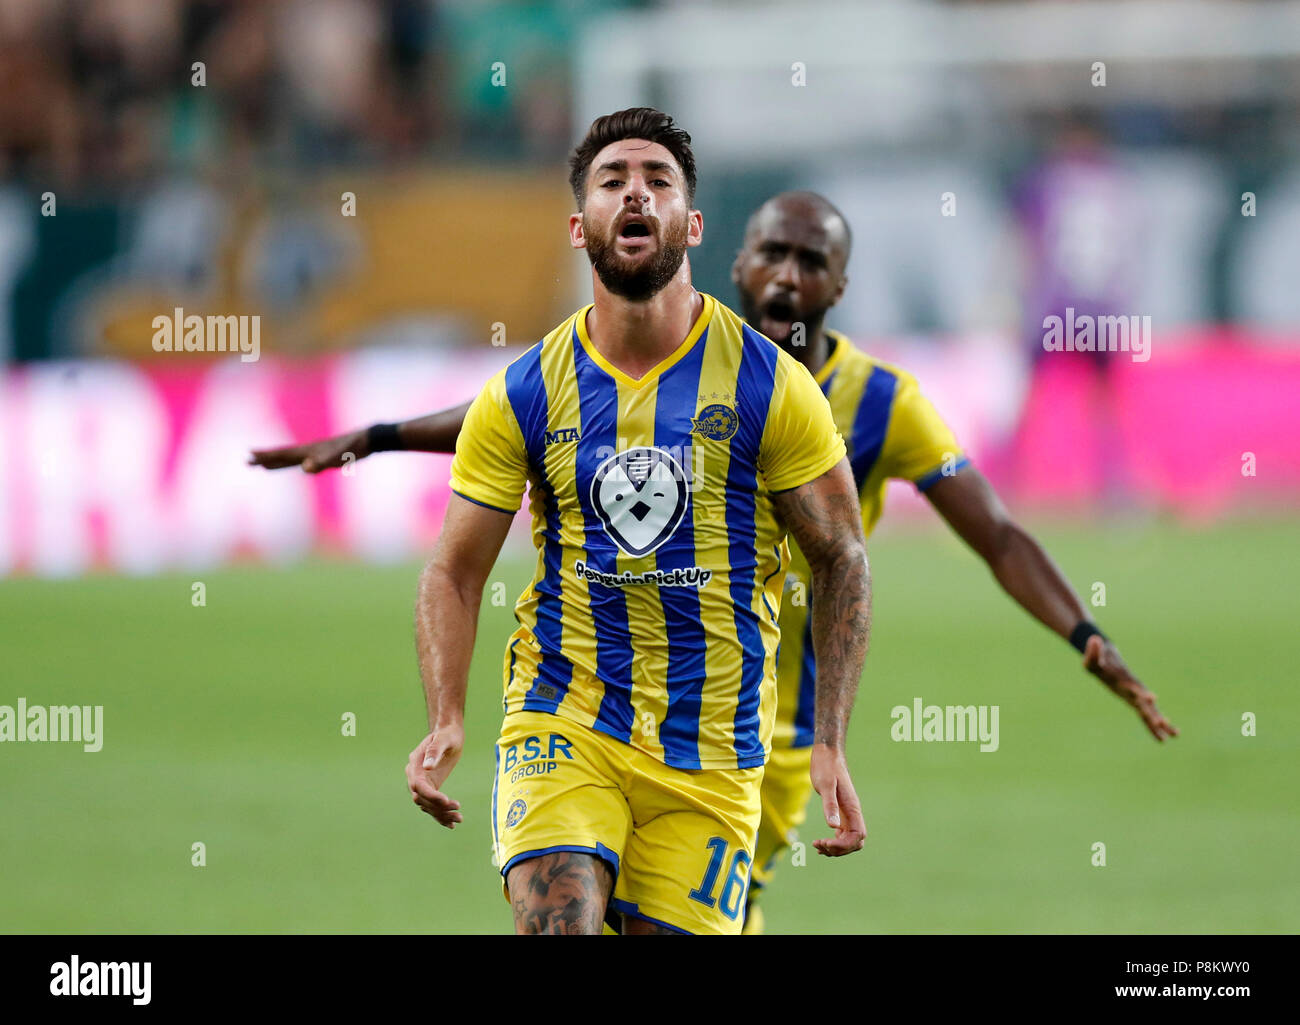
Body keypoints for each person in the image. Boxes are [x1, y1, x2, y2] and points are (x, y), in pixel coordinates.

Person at [252, 188, 1176, 934]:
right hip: (597, 699)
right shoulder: (684, 361)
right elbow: (514, 412)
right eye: (771, 253)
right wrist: (375, 433)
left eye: (812, 261)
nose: (786, 274)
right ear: (736, 265)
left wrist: (1087, 636)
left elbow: (998, 535)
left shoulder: (879, 401)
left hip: (764, 729)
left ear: (840, 287)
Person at [268, 108, 872, 935]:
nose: (636, 194)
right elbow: (454, 569)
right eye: (612, 181)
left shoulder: (771, 385)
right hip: (566, 720)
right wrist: (447, 713)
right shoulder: (523, 391)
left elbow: (842, 557)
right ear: (578, 224)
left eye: (658, 181)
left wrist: (831, 739)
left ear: (690, 224)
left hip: (716, 748)